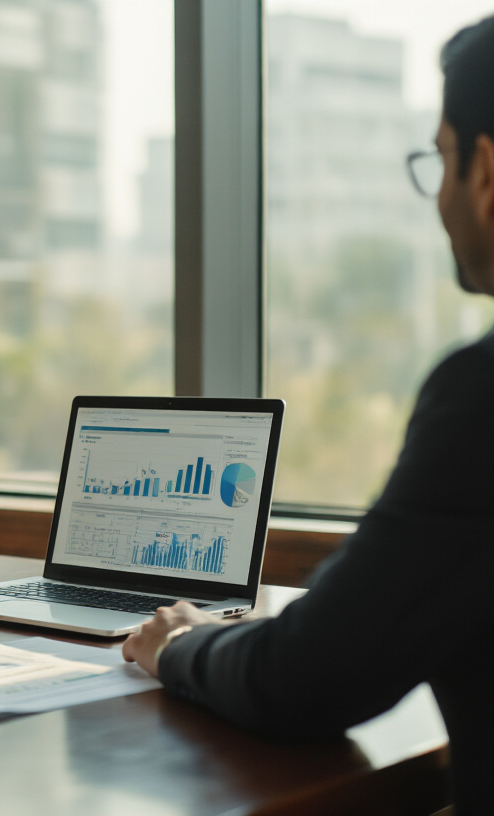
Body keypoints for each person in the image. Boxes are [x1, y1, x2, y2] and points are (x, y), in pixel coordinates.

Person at [123, 16, 494, 815]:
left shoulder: (483, 398)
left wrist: (182, 645)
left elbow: (304, 679)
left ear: (486, 170)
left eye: (441, 158)